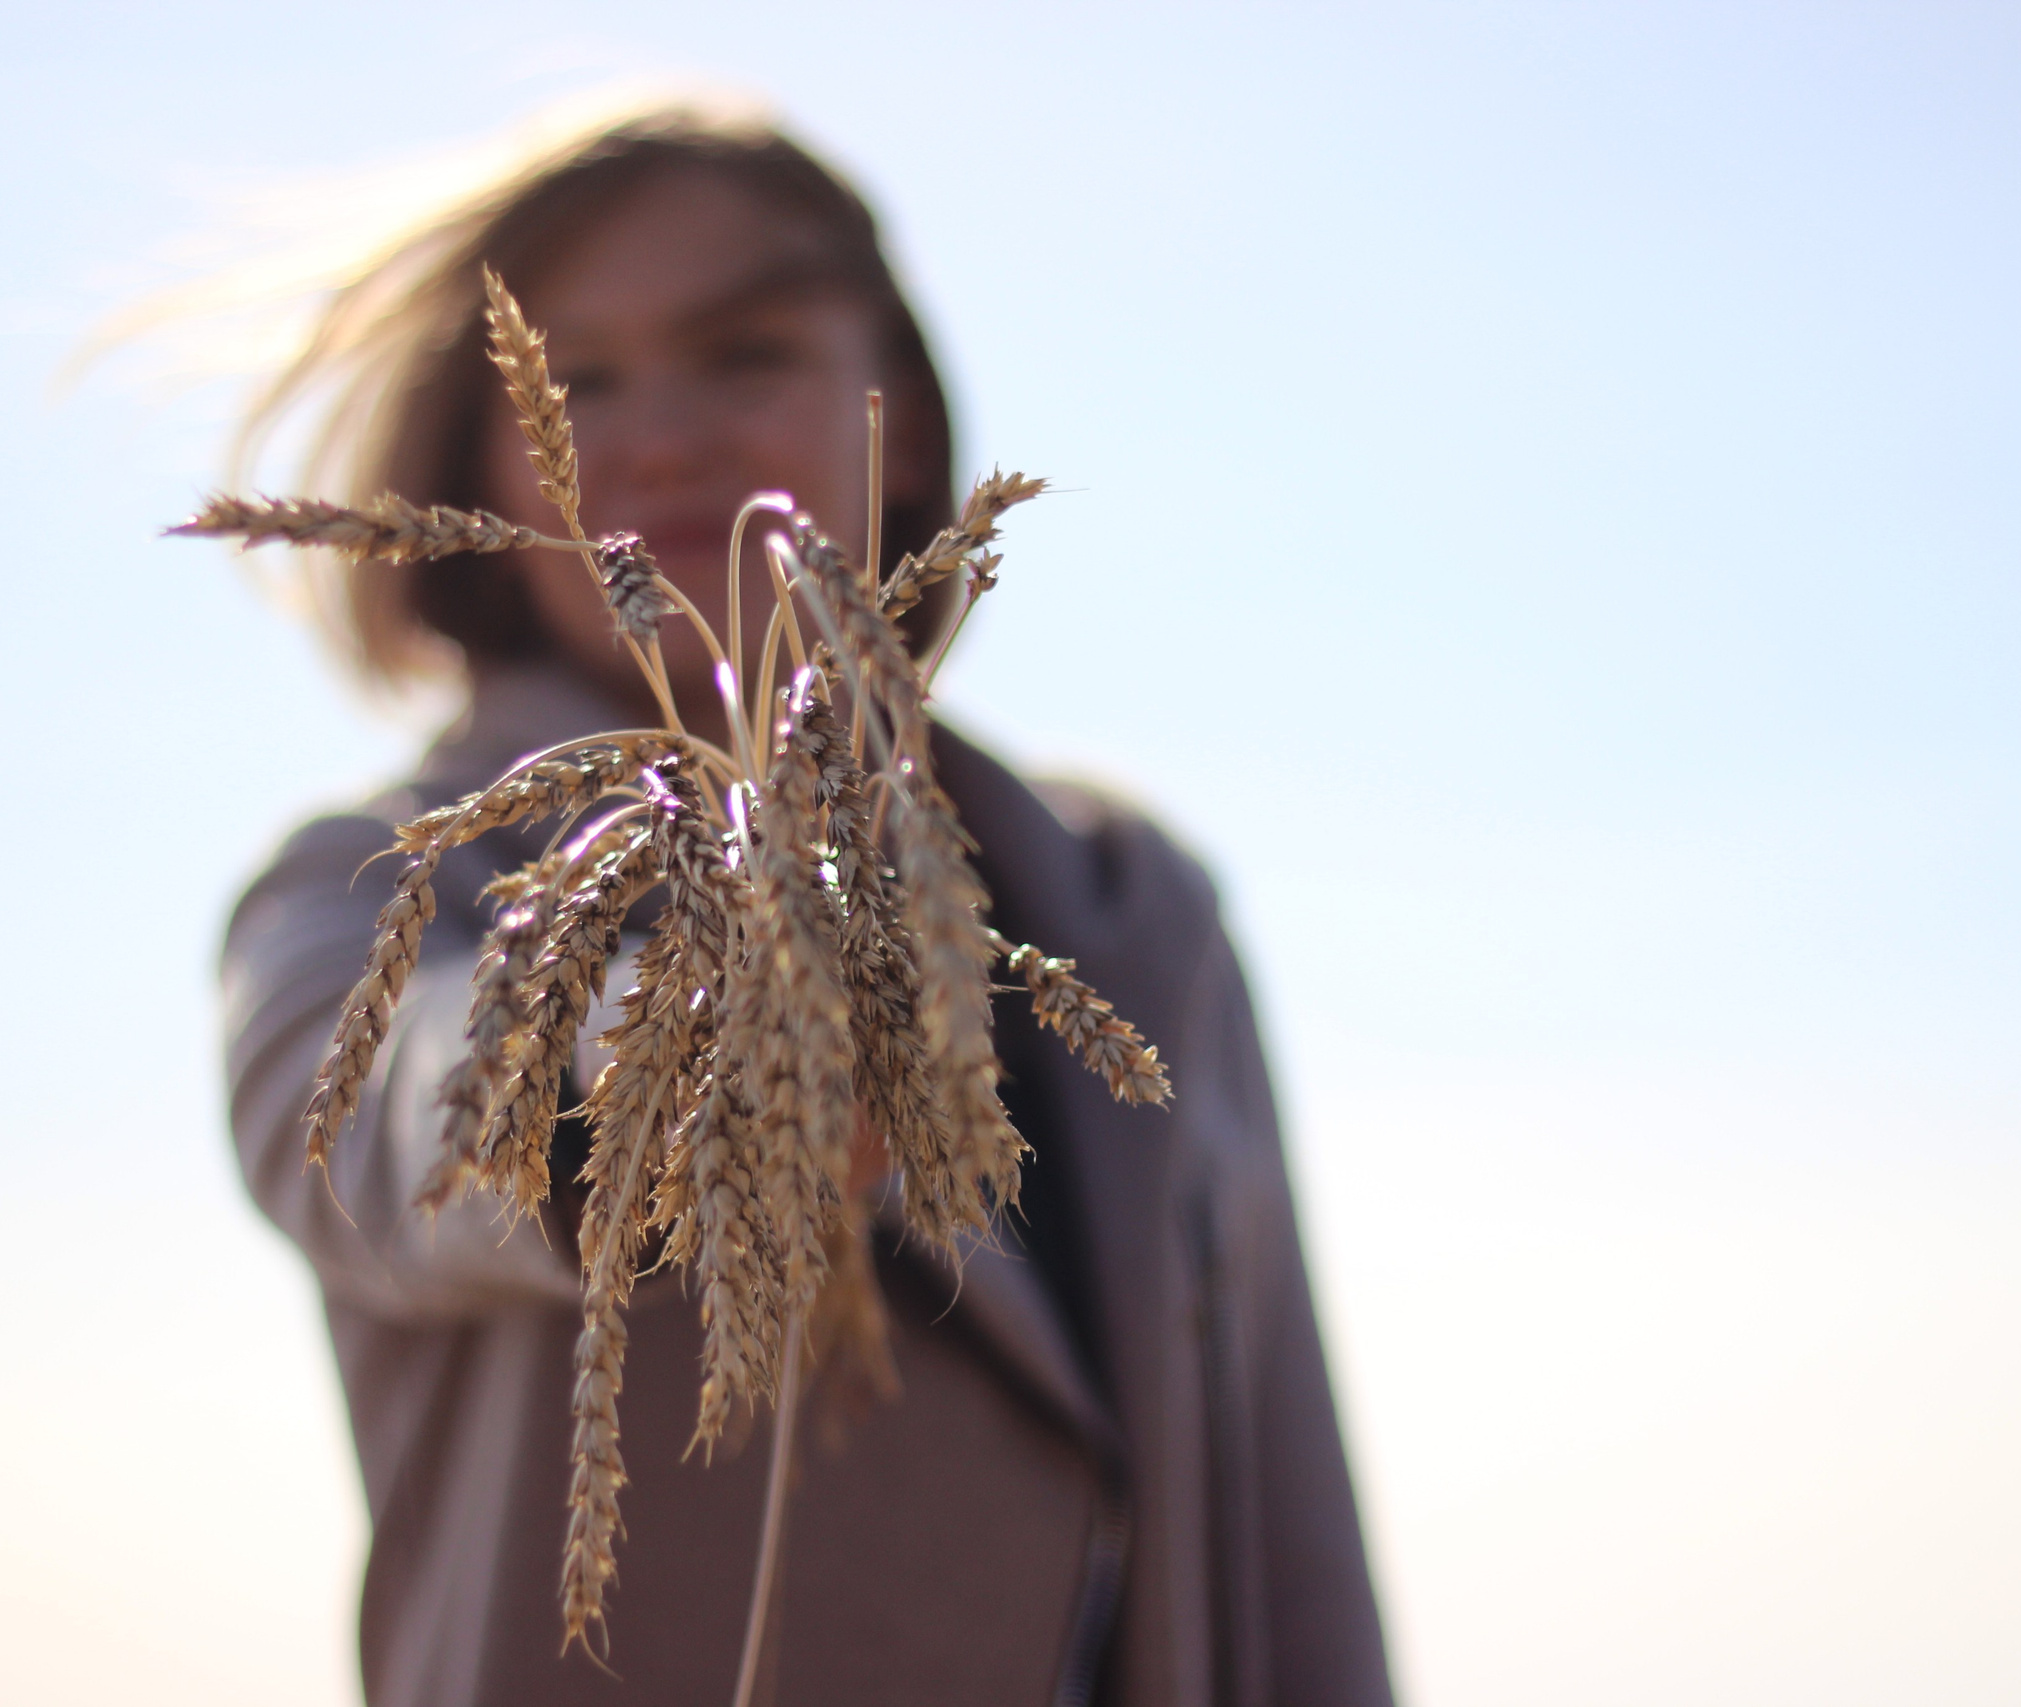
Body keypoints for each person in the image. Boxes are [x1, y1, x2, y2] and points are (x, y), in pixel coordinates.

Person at [218, 93, 1396, 1707]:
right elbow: (376, 1121)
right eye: (578, 384)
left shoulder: (1129, 911)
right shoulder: (390, 884)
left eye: (747, 349)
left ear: (898, 414)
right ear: (495, 456)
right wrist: (661, 1060)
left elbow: (1283, 1523)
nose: (662, 435)